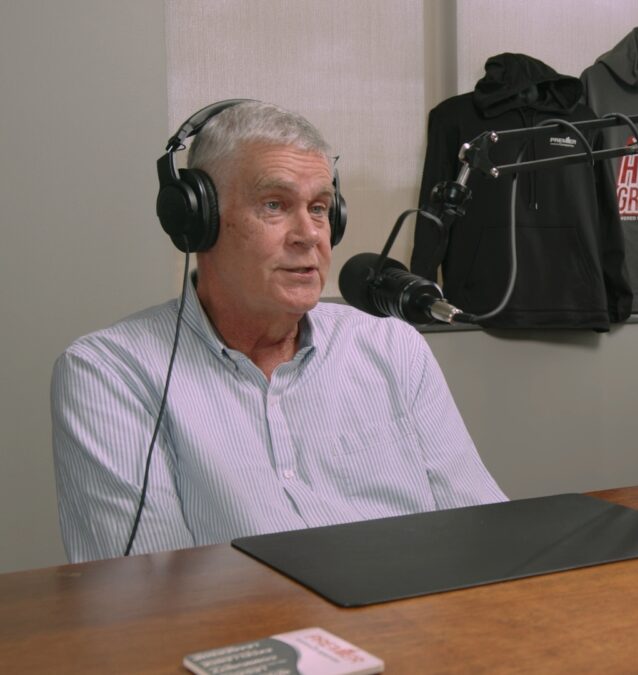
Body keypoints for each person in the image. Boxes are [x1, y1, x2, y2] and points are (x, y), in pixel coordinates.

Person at [52, 101, 505, 563]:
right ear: (197, 219)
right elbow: (148, 592)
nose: (309, 235)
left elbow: (483, 534)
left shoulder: (393, 348)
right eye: (274, 205)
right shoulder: (110, 374)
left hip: (416, 608)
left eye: (320, 208)